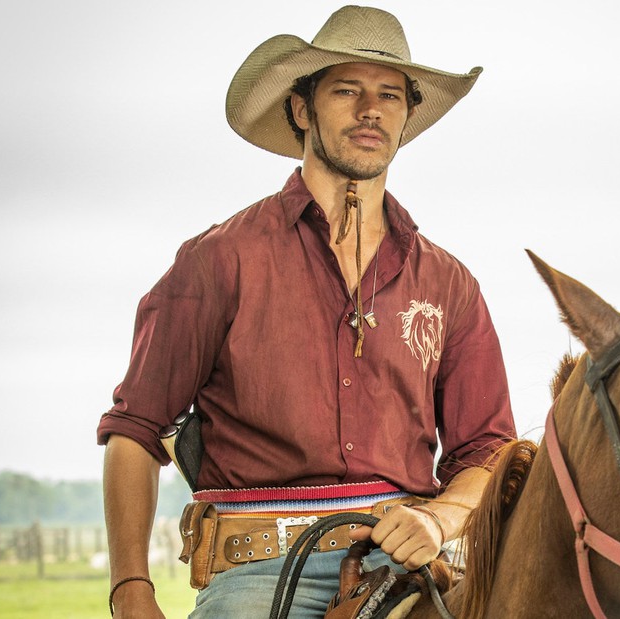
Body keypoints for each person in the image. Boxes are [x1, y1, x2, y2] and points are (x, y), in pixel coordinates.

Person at [96, 5, 516, 618]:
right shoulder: (219, 261)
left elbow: (487, 448)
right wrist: (131, 589)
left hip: (405, 570)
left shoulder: (450, 284)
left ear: (407, 116)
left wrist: (441, 517)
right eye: (347, 90)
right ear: (302, 108)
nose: (371, 109)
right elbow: (135, 430)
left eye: (390, 95)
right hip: (257, 574)